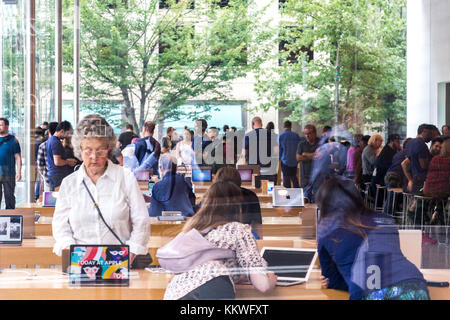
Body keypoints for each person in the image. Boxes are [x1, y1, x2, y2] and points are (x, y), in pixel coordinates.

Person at [52, 114, 151, 267]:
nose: (94, 157)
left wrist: (128, 256)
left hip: (120, 263)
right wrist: (72, 253)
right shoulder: (69, 184)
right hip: (81, 266)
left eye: (100, 150)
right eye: (88, 150)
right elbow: (60, 226)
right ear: (79, 150)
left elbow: (141, 221)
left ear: (109, 149)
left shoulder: (125, 178)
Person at [317, 175, 429, 300]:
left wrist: (334, 281)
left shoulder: (328, 232)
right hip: (415, 285)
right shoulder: (385, 220)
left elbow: (332, 280)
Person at [163, 181, 277, 300]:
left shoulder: (192, 229)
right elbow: (263, 286)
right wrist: (270, 280)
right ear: (237, 205)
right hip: (212, 290)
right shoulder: (237, 230)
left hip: (174, 293)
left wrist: (237, 275)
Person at [214, 166, 263, 239]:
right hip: (244, 237)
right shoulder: (250, 195)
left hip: (217, 237)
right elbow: (256, 224)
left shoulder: (212, 195)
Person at [423, 140, 450, 225]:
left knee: (441, 196)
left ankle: (435, 213)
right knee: (444, 195)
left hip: (428, 189)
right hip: (443, 190)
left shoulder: (435, 158)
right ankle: (438, 213)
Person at [401, 124, 433, 194]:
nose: (431, 137)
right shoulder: (421, 145)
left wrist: (410, 180)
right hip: (421, 180)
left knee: (415, 202)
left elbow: (404, 163)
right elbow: (424, 165)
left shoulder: (410, 143)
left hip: (414, 178)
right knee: (420, 203)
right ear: (424, 131)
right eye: (430, 134)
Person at [46, 121, 78, 190]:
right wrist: (68, 162)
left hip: (54, 174)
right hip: (57, 175)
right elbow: (57, 162)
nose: (67, 136)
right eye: (67, 133)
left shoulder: (51, 140)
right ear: (62, 131)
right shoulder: (56, 142)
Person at [0, 118, 22, 209]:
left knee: (9, 196)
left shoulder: (13, 140)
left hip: (9, 173)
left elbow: (18, 157)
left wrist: (19, 172)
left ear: (7, 126)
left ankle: (10, 218)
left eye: (1, 125)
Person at [36, 122, 58, 192]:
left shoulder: (43, 145)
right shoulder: (62, 145)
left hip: (48, 179)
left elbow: (40, 165)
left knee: (49, 201)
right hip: (60, 180)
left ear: (48, 131)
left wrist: (46, 177)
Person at [278, 120, 301, 188]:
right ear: (291, 126)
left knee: (286, 179)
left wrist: (279, 158)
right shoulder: (296, 136)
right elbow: (299, 148)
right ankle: (297, 194)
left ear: (284, 126)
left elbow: (280, 149)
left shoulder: (281, 136)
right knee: (294, 177)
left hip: (285, 161)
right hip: (294, 161)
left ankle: (287, 196)